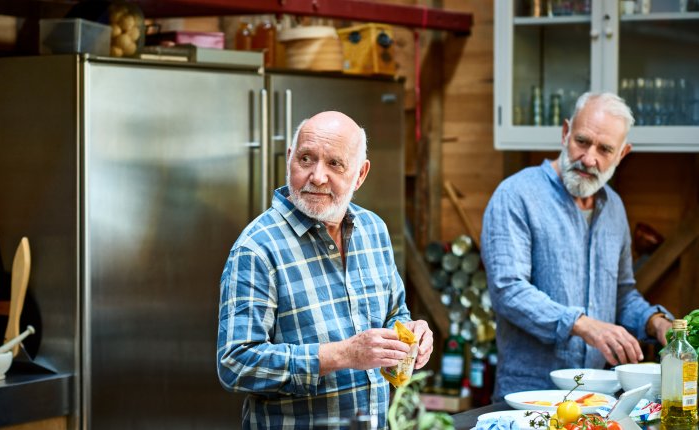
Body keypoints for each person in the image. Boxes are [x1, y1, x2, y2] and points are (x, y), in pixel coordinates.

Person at [217, 111, 433, 429]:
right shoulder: (257, 249)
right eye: (307, 159)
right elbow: (235, 364)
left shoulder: (374, 229)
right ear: (290, 158)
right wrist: (340, 355)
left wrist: (410, 335)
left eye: (335, 163)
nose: (317, 176)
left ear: (360, 174)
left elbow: (393, 313)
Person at [480, 92, 674, 400]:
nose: (589, 158)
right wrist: (581, 324)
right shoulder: (516, 195)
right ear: (565, 132)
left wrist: (656, 322)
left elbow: (621, 295)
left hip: (598, 400)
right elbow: (509, 291)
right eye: (582, 141)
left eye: (605, 149)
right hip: (528, 397)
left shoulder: (614, 207)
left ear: (623, 153)